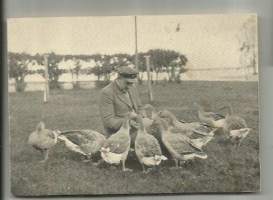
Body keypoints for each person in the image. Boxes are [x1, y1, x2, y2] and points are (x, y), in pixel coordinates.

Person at [98, 66, 145, 142]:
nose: (130, 86)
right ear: (119, 79)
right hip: (118, 134)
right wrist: (128, 122)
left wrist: (141, 116)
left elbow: (140, 107)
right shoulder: (107, 92)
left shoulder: (132, 87)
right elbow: (109, 122)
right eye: (128, 83)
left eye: (132, 83)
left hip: (136, 129)